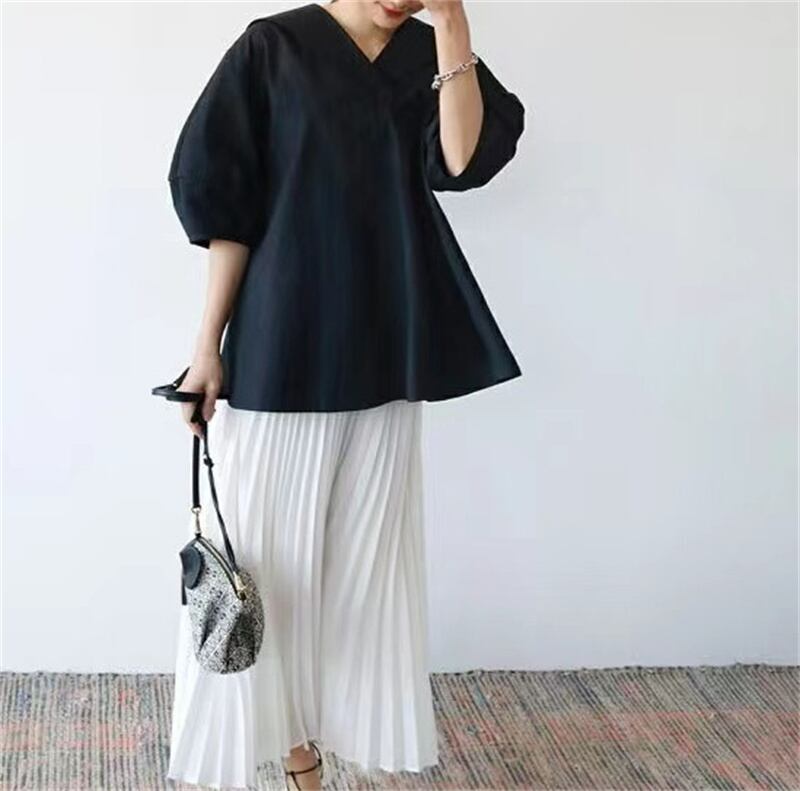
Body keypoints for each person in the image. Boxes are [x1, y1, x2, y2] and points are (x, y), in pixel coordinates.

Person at [164, 1, 525, 788]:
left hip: (390, 342)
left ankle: (327, 734)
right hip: (282, 340)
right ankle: (275, 744)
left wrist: (453, 25)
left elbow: (461, 160)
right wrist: (207, 346)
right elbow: (229, 203)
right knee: (261, 560)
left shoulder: (427, 53)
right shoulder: (275, 48)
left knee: (364, 570)